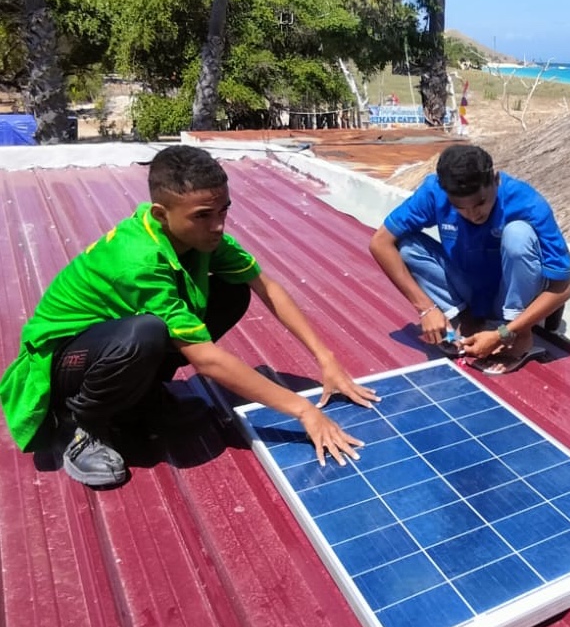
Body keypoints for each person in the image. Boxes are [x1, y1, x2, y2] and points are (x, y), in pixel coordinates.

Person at [0, 145, 378, 488]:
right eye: (202, 216)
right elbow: (206, 359)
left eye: (223, 210)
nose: (218, 225)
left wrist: (325, 359)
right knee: (145, 333)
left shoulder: (203, 240)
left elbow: (266, 286)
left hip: (108, 347)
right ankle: (79, 426)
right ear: (162, 214)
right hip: (60, 367)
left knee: (231, 290)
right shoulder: (137, 261)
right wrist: (303, 411)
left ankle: (143, 400)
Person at [369, 144, 570, 374]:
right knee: (404, 245)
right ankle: (466, 320)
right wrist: (426, 308)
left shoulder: (527, 202)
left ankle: (517, 336)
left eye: (480, 203)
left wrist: (504, 333)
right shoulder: (433, 191)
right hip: (469, 290)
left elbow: (563, 288)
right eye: (460, 208)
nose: (473, 214)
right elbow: (379, 242)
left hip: (511, 298)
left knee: (519, 235)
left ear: (495, 180)